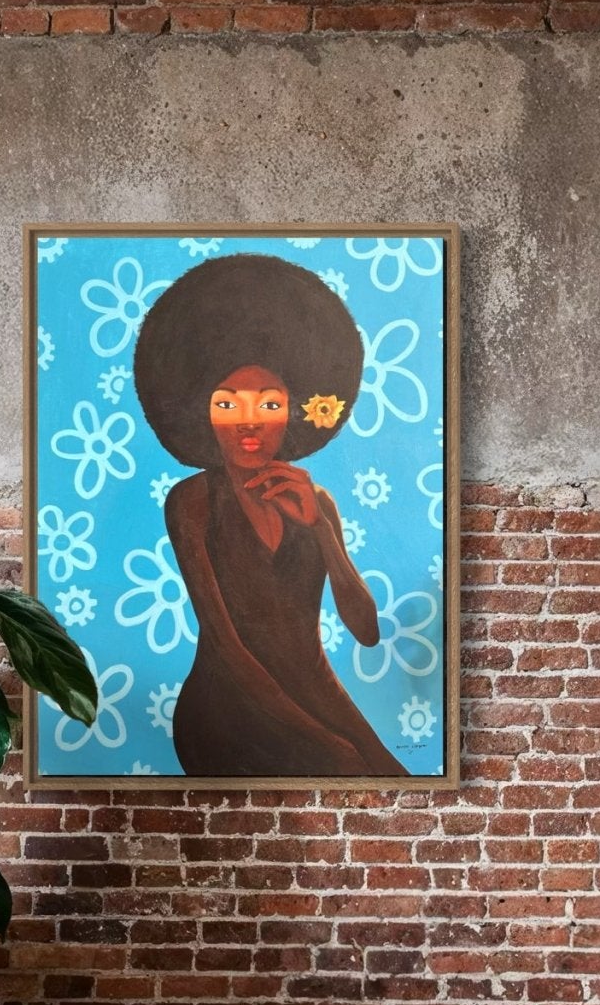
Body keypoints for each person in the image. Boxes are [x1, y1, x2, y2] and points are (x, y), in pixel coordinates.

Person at [133, 253, 406, 778]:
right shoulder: (192, 502)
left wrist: (322, 530)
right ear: (203, 413)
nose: (249, 424)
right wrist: (326, 742)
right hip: (228, 708)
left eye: (269, 404)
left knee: (394, 778)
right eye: (228, 404)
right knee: (349, 766)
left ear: (295, 410)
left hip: (314, 691)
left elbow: (367, 631)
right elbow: (226, 646)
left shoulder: (317, 501)